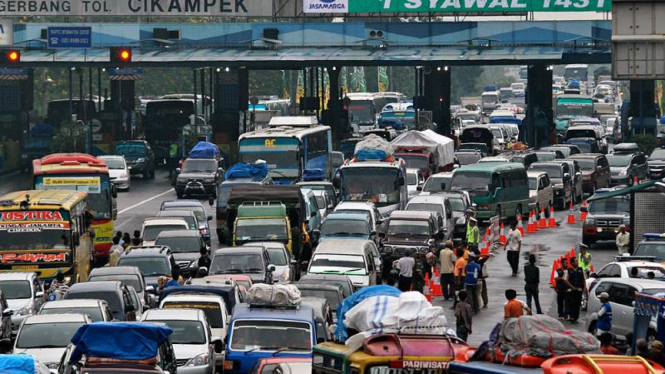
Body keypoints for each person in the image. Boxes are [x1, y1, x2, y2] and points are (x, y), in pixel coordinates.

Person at [563, 255, 586, 323]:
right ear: (572, 263)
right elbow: (565, 280)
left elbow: (584, 279)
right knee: (571, 304)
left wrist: (584, 288)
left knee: (577, 304)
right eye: (576, 261)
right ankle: (571, 316)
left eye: (577, 261)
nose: (577, 262)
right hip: (571, 291)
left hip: (579, 290)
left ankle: (576, 317)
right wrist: (572, 287)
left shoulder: (581, 270)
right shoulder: (568, 271)